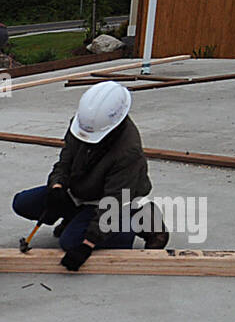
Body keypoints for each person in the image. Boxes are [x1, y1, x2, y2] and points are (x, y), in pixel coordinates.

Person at [11, 80, 168, 271]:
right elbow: (65, 162)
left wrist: (88, 244)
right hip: (81, 192)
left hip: (113, 203)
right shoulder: (84, 124)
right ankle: (76, 216)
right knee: (22, 203)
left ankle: (139, 220)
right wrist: (57, 187)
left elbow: (113, 202)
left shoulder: (128, 152)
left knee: (71, 242)